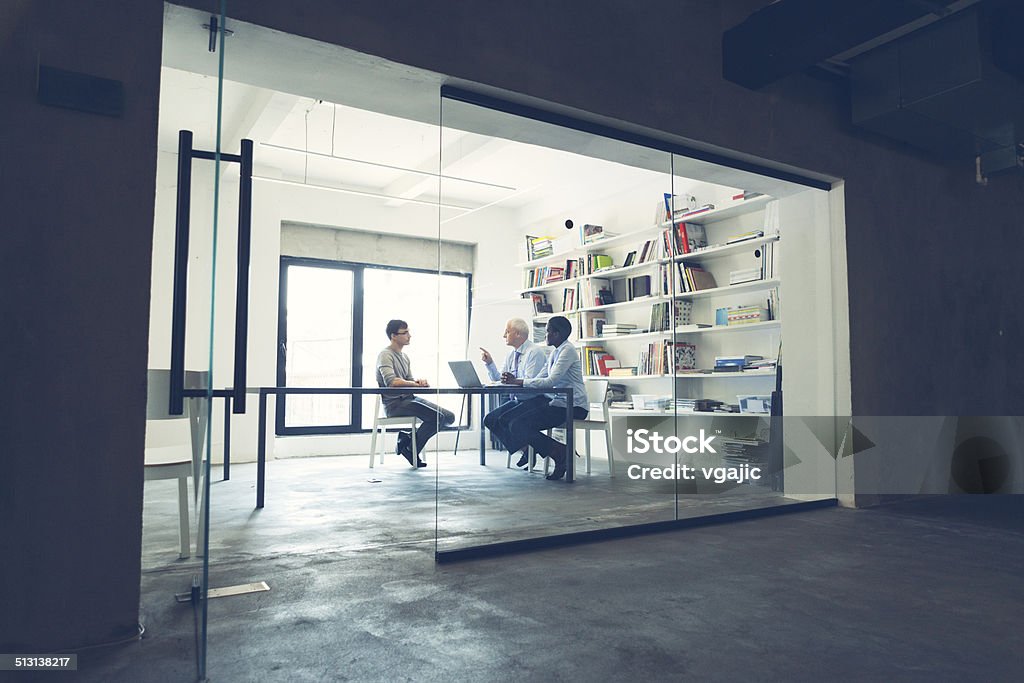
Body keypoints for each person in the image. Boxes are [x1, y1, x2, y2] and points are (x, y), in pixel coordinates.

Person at [494, 315, 588, 481]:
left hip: (574, 407)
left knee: (518, 424)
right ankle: (559, 451)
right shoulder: (555, 352)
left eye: (548, 332)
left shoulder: (568, 351)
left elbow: (551, 381)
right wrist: (519, 381)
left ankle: (560, 454)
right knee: (514, 422)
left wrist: (518, 381)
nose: (545, 336)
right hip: (558, 403)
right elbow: (541, 378)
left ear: (557, 334)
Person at [375, 319, 455, 467]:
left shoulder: (404, 357)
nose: (409, 336)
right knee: (437, 417)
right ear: (393, 336)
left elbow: (409, 381)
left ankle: (408, 442)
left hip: (409, 399)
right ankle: (411, 448)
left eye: (408, 332)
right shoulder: (385, 355)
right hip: (395, 404)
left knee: (449, 417)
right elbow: (392, 382)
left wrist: (420, 383)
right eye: (405, 333)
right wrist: (413, 383)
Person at [480, 318, 548, 468]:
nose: (504, 335)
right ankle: (527, 449)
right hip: (519, 399)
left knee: (507, 420)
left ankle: (535, 447)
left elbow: (530, 382)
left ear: (517, 334)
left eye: (507, 331)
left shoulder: (534, 352)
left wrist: (513, 380)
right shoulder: (512, 354)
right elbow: (500, 379)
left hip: (535, 399)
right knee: (490, 420)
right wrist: (489, 363)